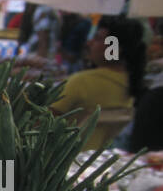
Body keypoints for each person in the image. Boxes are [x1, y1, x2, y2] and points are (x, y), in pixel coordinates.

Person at [50, 16, 147, 150]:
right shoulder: (131, 83)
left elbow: (41, 124)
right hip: (93, 161)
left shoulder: (81, 82)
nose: (89, 43)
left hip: (55, 161)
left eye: (97, 38)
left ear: (113, 48)